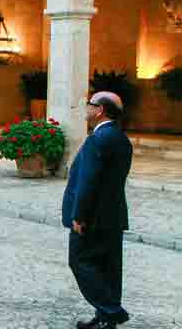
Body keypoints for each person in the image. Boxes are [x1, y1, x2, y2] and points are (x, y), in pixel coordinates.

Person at [63, 92, 133, 329]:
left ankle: (111, 311)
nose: (86, 109)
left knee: (79, 261)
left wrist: (79, 215)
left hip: (92, 217)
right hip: (112, 214)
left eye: (89, 105)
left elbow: (88, 181)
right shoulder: (121, 137)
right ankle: (104, 318)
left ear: (100, 110)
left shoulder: (98, 139)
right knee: (108, 268)